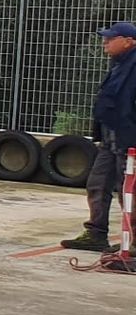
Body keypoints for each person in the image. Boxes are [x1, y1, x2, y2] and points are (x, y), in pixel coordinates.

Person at [62, 22, 136, 252]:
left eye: (111, 38)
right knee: (97, 184)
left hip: (129, 140)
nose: (105, 42)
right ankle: (96, 233)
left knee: (130, 191)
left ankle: (132, 241)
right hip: (110, 137)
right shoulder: (119, 64)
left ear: (129, 41)